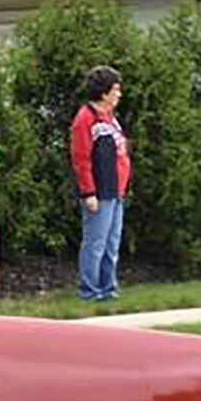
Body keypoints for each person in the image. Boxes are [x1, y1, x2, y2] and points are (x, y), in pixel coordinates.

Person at [70, 66, 131, 302]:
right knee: (95, 243)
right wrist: (89, 192)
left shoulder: (110, 118)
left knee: (112, 243)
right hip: (99, 192)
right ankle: (89, 290)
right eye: (115, 90)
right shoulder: (85, 119)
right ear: (104, 93)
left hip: (116, 190)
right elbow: (81, 159)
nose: (119, 94)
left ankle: (108, 288)